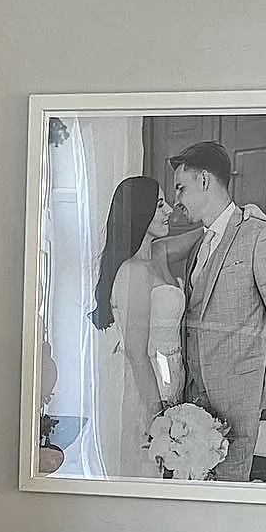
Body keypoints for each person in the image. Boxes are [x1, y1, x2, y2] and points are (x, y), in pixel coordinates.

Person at [171, 140, 266, 484]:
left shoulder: (263, 236)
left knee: (228, 497)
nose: (177, 199)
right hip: (192, 404)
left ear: (205, 180)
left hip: (237, 406)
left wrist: (258, 395)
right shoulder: (199, 244)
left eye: (181, 187)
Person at [89, 176, 184, 476]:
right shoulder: (133, 271)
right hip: (149, 385)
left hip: (170, 374)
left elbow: (200, 235)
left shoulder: (156, 256)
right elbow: (135, 353)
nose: (169, 210)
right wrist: (159, 419)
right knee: (148, 467)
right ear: (140, 213)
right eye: (160, 205)